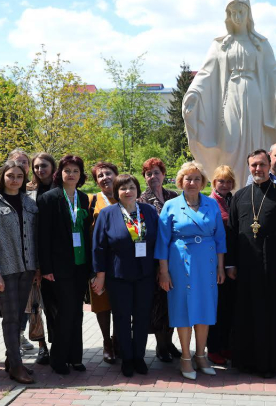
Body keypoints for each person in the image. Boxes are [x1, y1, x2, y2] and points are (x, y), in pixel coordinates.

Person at [182, 0, 276, 188]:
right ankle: (233, 190)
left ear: (248, 13)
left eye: (241, 12)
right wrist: (193, 93)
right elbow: (206, 72)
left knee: (256, 145)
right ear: (228, 15)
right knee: (230, 143)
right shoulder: (220, 44)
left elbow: (274, 71)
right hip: (231, 97)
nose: (237, 17)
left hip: (255, 99)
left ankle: (257, 188)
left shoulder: (260, 44)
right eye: (233, 12)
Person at [227, 149, 276, 378]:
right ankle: (245, 361)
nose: (258, 169)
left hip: (273, 264)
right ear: (249, 167)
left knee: (270, 314)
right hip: (246, 266)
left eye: (262, 165)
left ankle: (269, 362)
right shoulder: (240, 196)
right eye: (254, 165)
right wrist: (231, 264)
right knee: (246, 313)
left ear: (269, 165)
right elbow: (232, 232)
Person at [156, 162, 227, 380]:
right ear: (180, 182)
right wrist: (164, 272)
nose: (192, 182)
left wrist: (220, 267)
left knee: (205, 308)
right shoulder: (171, 205)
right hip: (180, 263)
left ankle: (201, 355)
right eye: (187, 178)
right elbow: (161, 241)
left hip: (207, 264)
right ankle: (186, 358)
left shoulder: (211, 205)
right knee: (183, 309)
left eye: (197, 178)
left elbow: (220, 239)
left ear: (203, 182)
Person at [91, 174, 159, 378]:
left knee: (141, 316)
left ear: (137, 190)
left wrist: (160, 269)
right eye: (123, 188)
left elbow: (159, 240)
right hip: (118, 275)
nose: (127, 191)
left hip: (145, 274)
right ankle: (126, 358)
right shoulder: (107, 213)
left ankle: (139, 357)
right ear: (117, 192)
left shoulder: (148, 211)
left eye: (131, 187)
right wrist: (100, 276)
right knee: (121, 318)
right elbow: (99, 246)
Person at [0, 161, 38, 384]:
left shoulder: (30, 203)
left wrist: (37, 268)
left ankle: (11, 359)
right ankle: (16, 366)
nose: (15, 180)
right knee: (11, 319)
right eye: (10, 176)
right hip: (6, 271)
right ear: (3, 177)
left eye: (19, 176)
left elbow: (35, 237)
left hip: (27, 269)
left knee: (20, 316)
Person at [37, 155, 92, 375]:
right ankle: (59, 358)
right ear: (59, 174)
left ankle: (75, 357)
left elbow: (86, 234)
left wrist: (90, 267)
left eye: (75, 171)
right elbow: (43, 236)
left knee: (76, 312)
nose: (71, 174)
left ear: (81, 175)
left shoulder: (84, 198)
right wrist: (46, 267)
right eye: (67, 170)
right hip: (58, 268)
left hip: (80, 265)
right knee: (64, 313)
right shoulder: (49, 198)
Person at [138, 157, 182, 363]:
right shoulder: (140, 201)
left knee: (173, 301)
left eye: (157, 172)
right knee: (158, 305)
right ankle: (161, 346)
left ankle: (170, 342)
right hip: (153, 260)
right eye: (149, 174)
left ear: (164, 175)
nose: (153, 177)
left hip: (176, 258)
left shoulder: (174, 196)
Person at [88, 161, 120, 365]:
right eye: (100, 176)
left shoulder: (125, 196)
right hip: (98, 261)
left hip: (121, 262)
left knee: (121, 304)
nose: (105, 178)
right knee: (102, 304)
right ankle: (106, 342)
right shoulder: (91, 200)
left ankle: (119, 341)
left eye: (108, 173)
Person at [25, 152, 55, 365]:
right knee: (36, 306)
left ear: (53, 167)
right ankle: (42, 346)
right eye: (35, 167)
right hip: (33, 256)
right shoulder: (28, 193)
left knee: (55, 305)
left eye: (44, 165)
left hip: (57, 258)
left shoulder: (61, 190)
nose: (39, 170)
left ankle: (58, 343)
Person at [207, 165, 237, 366]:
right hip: (216, 263)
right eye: (221, 181)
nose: (224, 184)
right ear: (214, 182)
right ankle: (213, 348)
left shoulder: (233, 200)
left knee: (228, 307)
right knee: (215, 308)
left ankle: (226, 344)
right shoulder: (209, 202)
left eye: (228, 181)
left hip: (231, 262)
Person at [7, 149, 36, 354]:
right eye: (17, 162)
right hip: (11, 260)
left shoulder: (34, 192)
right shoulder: (4, 192)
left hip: (31, 258)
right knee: (14, 305)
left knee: (31, 302)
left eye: (25, 162)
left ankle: (27, 335)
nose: (22, 165)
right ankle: (15, 341)